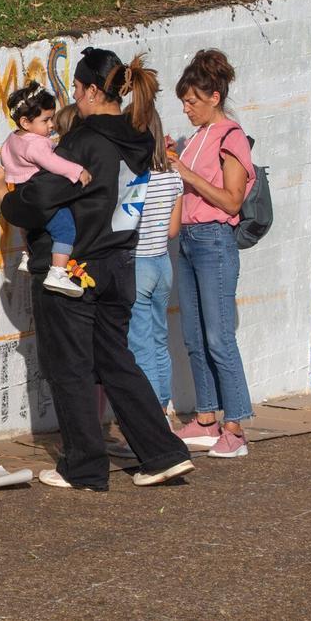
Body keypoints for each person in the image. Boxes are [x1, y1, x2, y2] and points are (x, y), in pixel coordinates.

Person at [0, 48, 194, 491]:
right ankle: (162, 453)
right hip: (121, 261)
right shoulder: (140, 138)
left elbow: (38, 200)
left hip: (75, 267)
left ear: (93, 90)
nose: (76, 98)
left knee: (70, 367)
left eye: (79, 89)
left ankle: (83, 465)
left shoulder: (83, 142)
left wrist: (4, 193)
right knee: (116, 360)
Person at [169, 49, 256, 458]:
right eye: (184, 102)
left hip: (215, 241)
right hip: (187, 240)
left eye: (192, 102)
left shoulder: (230, 136)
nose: (186, 109)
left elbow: (232, 200)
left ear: (215, 97)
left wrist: (185, 173)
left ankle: (235, 427)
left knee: (219, 337)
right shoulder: (196, 138)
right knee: (192, 336)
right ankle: (206, 418)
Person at [0, 81, 94, 297]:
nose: (51, 125)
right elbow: (53, 163)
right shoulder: (37, 144)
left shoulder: (13, 139)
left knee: (29, 227)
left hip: (21, 193)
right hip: (42, 196)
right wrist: (78, 170)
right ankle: (58, 271)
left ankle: (28, 256)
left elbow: (5, 157)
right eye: (46, 120)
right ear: (25, 122)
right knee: (65, 228)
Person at [131, 109, 183, 415]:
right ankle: (165, 406)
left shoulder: (133, 178)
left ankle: (152, 415)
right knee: (160, 339)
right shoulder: (173, 176)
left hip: (138, 264)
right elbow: (173, 229)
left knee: (141, 345)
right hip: (163, 263)